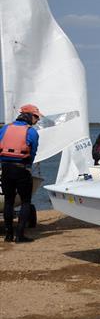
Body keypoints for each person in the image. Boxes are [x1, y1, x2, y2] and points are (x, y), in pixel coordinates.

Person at [0, 104, 40, 243]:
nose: (37, 120)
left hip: (6, 168)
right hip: (21, 169)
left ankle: (8, 235)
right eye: (36, 116)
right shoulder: (32, 132)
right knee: (25, 201)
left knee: (9, 201)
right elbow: (33, 152)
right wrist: (28, 166)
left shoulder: (5, 128)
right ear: (28, 116)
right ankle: (20, 235)